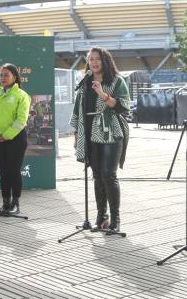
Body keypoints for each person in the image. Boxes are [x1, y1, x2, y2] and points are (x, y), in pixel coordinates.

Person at [70, 46, 130, 233]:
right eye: (91, 59)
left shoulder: (117, 81)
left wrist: (102, 94)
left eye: (97, 59)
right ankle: (101, 217)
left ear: (105, 61)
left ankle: (115, 219)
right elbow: (78, 110)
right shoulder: (85, 82)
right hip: (90, 134)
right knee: (97, 177)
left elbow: (123, 107)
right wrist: (77, 135)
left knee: (108, 175)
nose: (94, 62)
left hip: (112, 133)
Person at [0, 63, 31, 215]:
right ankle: (5, 204)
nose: (3, 78)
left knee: (13, 171)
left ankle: (15, 204)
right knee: (3, 172)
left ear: (15, 77)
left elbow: (21, 120)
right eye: (1, 75)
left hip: (16, 139)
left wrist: (5, 135)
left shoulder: (22, 95)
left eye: (6, 75)